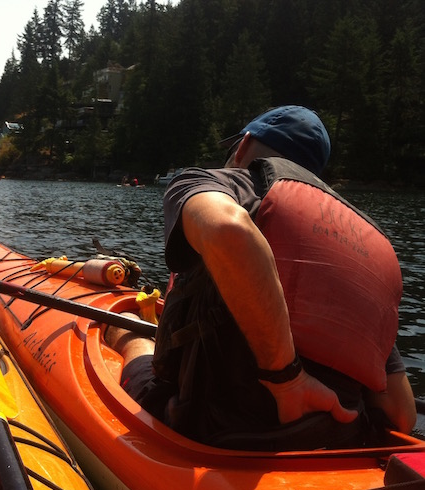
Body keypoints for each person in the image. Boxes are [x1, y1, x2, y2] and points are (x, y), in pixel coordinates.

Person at [107, 105, 416, 450]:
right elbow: (400, 413)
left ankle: (126, 330)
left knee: (127, 329)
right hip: (336, 437)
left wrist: (287, 379)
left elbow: (227, 230)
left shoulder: (220, 183)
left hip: (213, 432)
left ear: (243, 146)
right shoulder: (366, 242)